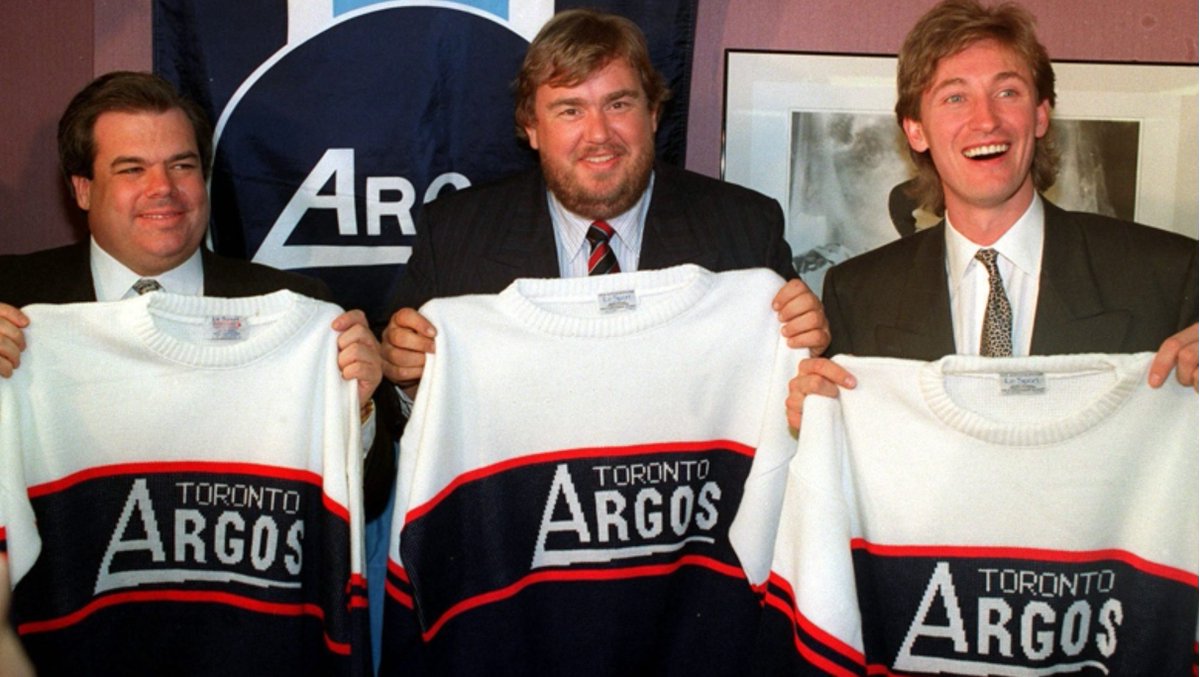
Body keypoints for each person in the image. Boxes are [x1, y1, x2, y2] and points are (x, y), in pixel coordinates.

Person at [379, 8, 829, 407]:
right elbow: (403, 430)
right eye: (570, 110)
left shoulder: (746, 230)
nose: (598, 134)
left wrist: (805, 353)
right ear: (531, 128)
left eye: (618, 104)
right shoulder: (455, 236)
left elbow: (795, 407)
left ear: (653, 114)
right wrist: (411, 384)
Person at [787, 0, 1198, 427]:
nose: (985, 120)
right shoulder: (856, 295)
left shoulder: (1169, 277)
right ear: (916, 130)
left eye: (1007, 93)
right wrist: (819, 422)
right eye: (955, 97)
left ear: (1040, 115)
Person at [0, 71, 382, 416]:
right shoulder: (12, 297)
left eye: (182, 166)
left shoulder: (296, 306)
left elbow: (368, 486)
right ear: (84, 190)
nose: (163, 188)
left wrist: (355, 407)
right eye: (133, 170)